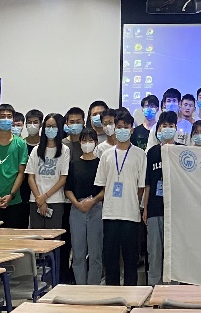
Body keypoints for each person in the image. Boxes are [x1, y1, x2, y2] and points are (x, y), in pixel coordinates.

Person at [95, 110, 147, 286]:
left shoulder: (140, 154)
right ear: (115, 129)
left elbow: (141, 187)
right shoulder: (106, 155)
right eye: (119, 127)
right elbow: (103, 184)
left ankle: (132, 295)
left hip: (130, 214)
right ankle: (112, 293)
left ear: (132, 129)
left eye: (126, 127)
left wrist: (132, 202)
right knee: (110, 259)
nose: (122, 130)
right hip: (110, 213)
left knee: (131, 259)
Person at [143, 111, 177, 285]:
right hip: (155, 208)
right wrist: (145, 208)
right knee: (154, 251)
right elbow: (148, 183)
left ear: (176, 129)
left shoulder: (181, 151)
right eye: (164, 126)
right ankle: (153, 287)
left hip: (176, 212)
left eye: (171, 126)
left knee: (174, 252)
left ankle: (173, 289)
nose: (168, 129)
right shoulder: (152, 153)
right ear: (158, 130)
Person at [66, 128, 103, 285]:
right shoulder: (74, 164)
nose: (87, 143)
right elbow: (68, 189)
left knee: (95, 253)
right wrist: (77, 204)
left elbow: (105, 188)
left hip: (96, 208)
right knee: (78, 253)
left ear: (96, 142)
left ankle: (93, 288)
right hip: (77, 209)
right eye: (84, 140)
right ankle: (80, 287)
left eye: (90, 140)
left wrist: (93, 201)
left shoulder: (101, 164)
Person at [27, 112, 70, 229]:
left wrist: (45, 197)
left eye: (54, 126)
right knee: (36, 237)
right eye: (48, 126)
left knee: (54, 237)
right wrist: (39, 199)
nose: (50, 129)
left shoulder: (65, 150)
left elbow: (63, 178)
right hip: (36, 200)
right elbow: (30, 177)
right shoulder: (36, 149)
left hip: (55, 201)